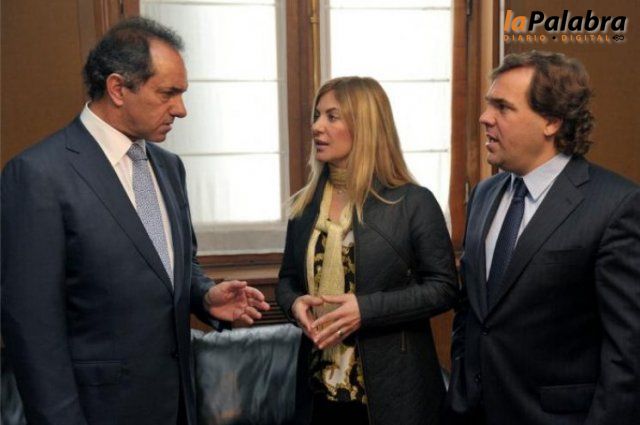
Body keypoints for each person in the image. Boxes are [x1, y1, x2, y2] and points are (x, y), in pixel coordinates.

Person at [1, 17, 270, 425]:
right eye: (168, 93)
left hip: (177, 406)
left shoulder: (169, 167)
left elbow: (172, 265)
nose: (181, 109)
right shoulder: (38, 175)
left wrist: (204, 296)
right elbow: (32, 326)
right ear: (117, 88)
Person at [446, 50, 640, 425]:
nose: (485, 117)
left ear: (551, 121)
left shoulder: (616, 206)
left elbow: (627, 353)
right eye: (488, 104)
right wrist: (460, 392)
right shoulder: (485, 193)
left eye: (503, 107)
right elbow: (471, 312)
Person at [276, 76, 458, 425]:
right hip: (319, 391)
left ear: (366, 126)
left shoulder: (413, 203)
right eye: (317, 116)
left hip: (393, 395)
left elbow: (445, 288)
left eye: (332, 116)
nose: (316, 127)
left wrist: (366, 309)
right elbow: (287, 281)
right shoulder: (304, 205)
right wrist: (294, 305)